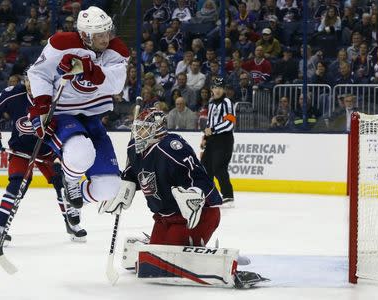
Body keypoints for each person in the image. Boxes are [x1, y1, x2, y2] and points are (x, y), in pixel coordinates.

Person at [98, 109, 267, 288]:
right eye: (137, 128)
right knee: (155, 257)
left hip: (196, 216)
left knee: (165, 259)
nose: (138, 133)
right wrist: (123, 187)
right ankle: (158, 244)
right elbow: (136, 172)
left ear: (158, 128)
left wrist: (195, 195)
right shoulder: (134, 147)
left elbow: (199, 176)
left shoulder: (171, 147)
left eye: (144, 128)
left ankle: (216, 259)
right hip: (164, 217)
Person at [27, 6, 129, 210]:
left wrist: (88, 68)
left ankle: (73, 201)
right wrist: (42, 106)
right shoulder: (61, 44)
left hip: (91, 116)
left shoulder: (117, 50)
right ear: (84, 34)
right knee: (81, 153)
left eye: (107, 32)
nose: (105, 39)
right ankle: (71, 181)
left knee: (109, 188)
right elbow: (38, 74)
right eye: (99, 34)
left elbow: (116, 85)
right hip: (62, 113)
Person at [0, 77, 87, 246]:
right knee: (16, 185)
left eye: (36, 82)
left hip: (48, 149)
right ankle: (0, 227)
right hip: (21, 150)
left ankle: (72, 224)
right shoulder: (14, 94)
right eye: (28, 82)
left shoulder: (55, 94)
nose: (32, 86)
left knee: (63, 183)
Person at [201, 77, 235, 205]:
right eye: (215, 87)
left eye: (220, 87)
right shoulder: (211, 103)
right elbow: (209, 123)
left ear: (224, 89)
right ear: (211, 89)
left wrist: (213, 130)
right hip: (212, 140)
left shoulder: (227, 102)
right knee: (205, 166)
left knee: (219, 167)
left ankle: (228, 195)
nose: (218, 90)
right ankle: (209, 194)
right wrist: (205, 137)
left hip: (224, 139)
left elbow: (230, 123)